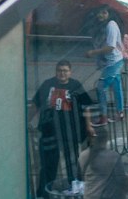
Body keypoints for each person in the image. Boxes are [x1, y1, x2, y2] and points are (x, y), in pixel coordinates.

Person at [31, 59, 95, 197]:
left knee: (72, 161)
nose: (62, 73)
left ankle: (75, 189)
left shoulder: (76, 85)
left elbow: (86, 106)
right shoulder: (48, 84)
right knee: (49, 164)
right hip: (50, 132)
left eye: (65, 71)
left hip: (70, 132)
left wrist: (88, 125)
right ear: (56, 72)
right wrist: (27, 121)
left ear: (70, 72)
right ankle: (44, 193)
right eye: (59, 71)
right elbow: (35, 104)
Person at [85, 7, 125, 123]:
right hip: (114, 61)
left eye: (104, 12)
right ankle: (120, 113)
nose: (100, 15)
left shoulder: (111, 25)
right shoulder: (106, 25)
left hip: (114, 62)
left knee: (101, 87)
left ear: (110, 13)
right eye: (99, 12)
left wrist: (93, 53)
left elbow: (110, 47)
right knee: (117, 87)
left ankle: (103, 116)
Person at [80, 124, 128, 198]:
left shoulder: (83, 155)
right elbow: (121, 179)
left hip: (89, 195)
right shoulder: (113, 156)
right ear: (106, 139)